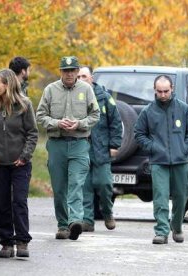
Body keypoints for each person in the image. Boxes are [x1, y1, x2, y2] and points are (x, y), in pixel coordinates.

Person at [36, 56, 100, 241]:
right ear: (61, 72)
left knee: (76, 184)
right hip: (57, 144)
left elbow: (95, 115)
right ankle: (63, 225)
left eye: (72, 71)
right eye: (66, 71)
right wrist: (57, 123)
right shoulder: (50, 90)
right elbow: (40, 116)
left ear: (77, 71)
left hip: (79, 143)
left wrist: (80, 123)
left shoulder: (86, 89)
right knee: (59, 188)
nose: (70, 74)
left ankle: (75, 221)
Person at [0, 68, 38, 258]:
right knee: (2, 203)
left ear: (8, 85)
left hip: (20, 164)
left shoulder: (24, 105)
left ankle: (22, 241)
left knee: (19, 202)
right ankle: (6, 243)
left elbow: (32, 133)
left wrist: (24, 156)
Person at [135, 75, 188, 244]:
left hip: (180, 161)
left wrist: (185, 148)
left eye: (166, 91)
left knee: (180, 196)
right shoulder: (148, 111)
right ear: (155, 91)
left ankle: (176, 227)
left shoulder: (183, 108)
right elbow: (139, 134)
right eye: (159, 92)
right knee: (160, 197)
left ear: (172, 89)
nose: (163, 95)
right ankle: (162, 230)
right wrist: (152, 147)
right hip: (158, 162)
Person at [77, 66, 122, 232]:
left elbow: (116, 122)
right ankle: (87, 220)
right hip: (82, 149)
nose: (81, 79)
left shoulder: (104, 97)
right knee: (85, 186)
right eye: (79, 76)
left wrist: (114, 145)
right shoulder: (74, 98)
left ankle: (107, 212)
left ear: (92, 78)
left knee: (104, 184)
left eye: (84, 76)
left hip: (101, 149)